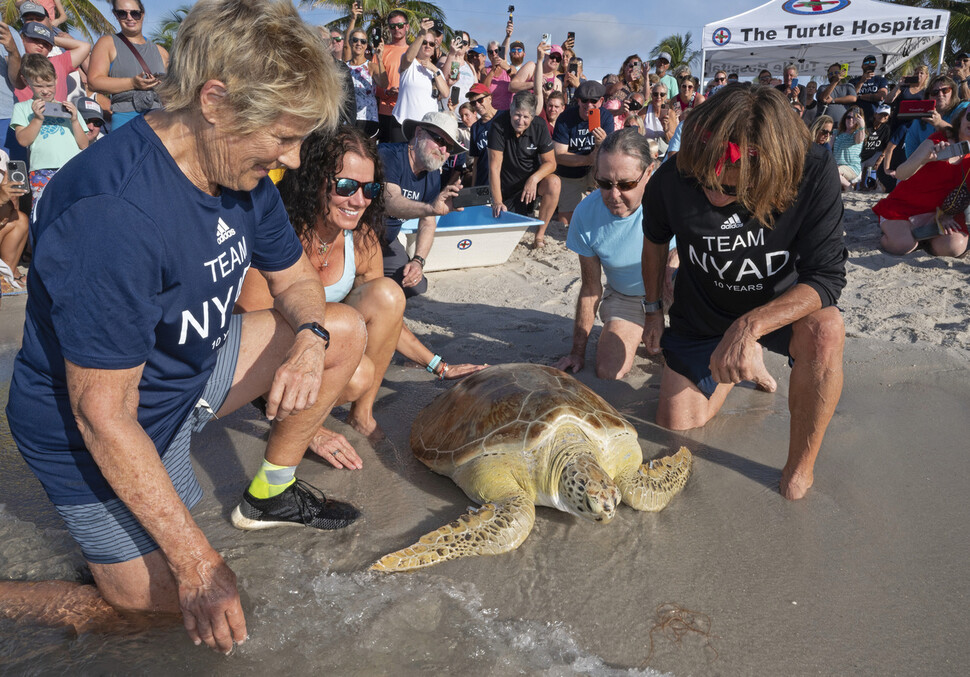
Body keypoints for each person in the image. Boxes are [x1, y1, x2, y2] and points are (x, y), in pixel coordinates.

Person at [1, 0, 365, 652]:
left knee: (342, 329)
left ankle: (267, 494)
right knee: (162, 616)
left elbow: (295, 283)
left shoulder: (242, 171)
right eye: (283, 136)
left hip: (185, 375)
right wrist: (198, 562)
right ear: (216, 101)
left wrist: (309, 342)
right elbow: (102, 414)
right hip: (87, 431)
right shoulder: (114, 214)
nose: (291, 158)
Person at [641, 84, 847, 501]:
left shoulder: (813, 170)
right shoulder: (672, 175)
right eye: (703, 181)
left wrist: (749, 326)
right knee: (676, 424)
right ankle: (736, 363)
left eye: (732, 190)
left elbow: (826, 278)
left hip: (780, 311)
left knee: (827, 329)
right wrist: (651, 311)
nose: (714, 195)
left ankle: (798, 469)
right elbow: (654, 241)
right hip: (702, 310)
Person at [237, 126, 403, 460]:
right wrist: (307, 429)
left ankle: (362, 414)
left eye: (369, 188)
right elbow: (247, 336)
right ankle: (292, 419)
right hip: (267, 348)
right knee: (357, 376)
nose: (359, 200)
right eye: (345, 186)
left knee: (389, 294)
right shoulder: (279, 233)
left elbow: (393, 318)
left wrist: (437, 365)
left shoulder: (362, 238)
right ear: (315, 181)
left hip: (322, 339)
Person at [555, 128, 656, 379]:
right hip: (626, 296)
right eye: (604, 183)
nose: (614, 195)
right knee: (608, 372)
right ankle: (638, 328)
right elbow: (591, 288)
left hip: (673, 297)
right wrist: (577, 351)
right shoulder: (585, 214)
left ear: (648, 174)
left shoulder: (669, 204)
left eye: (626, 184)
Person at [379, 110, 463, 296]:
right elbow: (389, 201)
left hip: (387, 241)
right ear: (418, 133)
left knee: (415, 285)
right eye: (439, 140)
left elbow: (428, 222)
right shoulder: (389, 155)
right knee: (374, 289)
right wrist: (430, 208)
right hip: (357, 237)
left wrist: (418, 261)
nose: (443, 150)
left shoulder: (431, 173)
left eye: (449, 148)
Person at [874, 112, 970, 258]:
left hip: (944, 213)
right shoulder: (938, 140)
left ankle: (924, 239)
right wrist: (924, 160)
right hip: (906, 206)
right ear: (961, 119)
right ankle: (903, 233)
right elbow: (901, 174)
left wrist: (946, 214)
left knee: (953, 247)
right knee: (902, 245)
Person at [11, 53, 87, 205]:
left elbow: (84, 145)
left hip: (72, 167)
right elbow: (22, 140)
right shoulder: (22, 108)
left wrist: (74, 120)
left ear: (56, 80)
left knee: (72, 209)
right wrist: (38, 119)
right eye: (39, 86)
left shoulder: (69, 108)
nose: (45, 90)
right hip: (41, 170)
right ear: (27, 82)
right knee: (43, 211)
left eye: (49, 85)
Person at [488, 90, 560, 248]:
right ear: (511, 110)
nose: (520, 121)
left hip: (530, 187)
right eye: (517, 115)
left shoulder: (540, 126)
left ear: (533, 117)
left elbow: (551, 163)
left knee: (554, 182)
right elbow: (494, 166)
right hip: (505, 187)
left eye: (526, 117)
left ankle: (539, 236)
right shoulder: (499, 124)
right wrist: (497, 201)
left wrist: (534, 179)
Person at [87, 0, 167, 129]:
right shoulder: (107, 43)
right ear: (115, 15)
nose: (129, 18)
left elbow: (170, 95)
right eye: (122, 13)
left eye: (135, 13)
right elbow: (93, 81)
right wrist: (133, 83)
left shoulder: (161, 52)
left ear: (143, 14)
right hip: (125, 121)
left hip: (159, 121)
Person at [552, 79, 614, 225]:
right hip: (570, 173)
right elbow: (559, 155)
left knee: (599, 216)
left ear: (601, 101)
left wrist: (603, 143)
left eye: (594, 101)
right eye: (584, 100)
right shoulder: (566, 118)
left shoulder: (606, 117)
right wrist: (588, 159)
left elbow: (610, 155)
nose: (589, 105)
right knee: (565, 222)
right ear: (578, 100)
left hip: (596, 173)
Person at [393, 18, 450, 130]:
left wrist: (434, 69)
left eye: (431, 44)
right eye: (424, 42)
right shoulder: (409, 63)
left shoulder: (435, 70)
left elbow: (445, 93)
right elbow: (409, 57)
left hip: (427, 126)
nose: (427, 46)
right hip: (402, 123)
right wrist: (421, 34)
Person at [13, 21, 89, 104]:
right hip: (22, 114)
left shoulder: (59, 62)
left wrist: (52, 38)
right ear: (22, 39)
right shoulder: (14, 60)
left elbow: (84, 46)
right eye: (35, 39)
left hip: (56, 115)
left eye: (46, 44)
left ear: (50, 48)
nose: (41, 45)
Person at [342, 4, 386, 139]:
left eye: (362, 41)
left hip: (369, 119)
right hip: (349, 118)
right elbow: (344, 46)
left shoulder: (371, 66)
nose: (358, 43)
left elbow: (384, 84)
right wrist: (353, 18)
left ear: (366, 45)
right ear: (350, 42)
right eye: (355, 40)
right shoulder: (345, 66)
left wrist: (379, 57)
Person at [375, 9, 410, 142]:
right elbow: (374, 80)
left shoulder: (414, 52)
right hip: (385, 112)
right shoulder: (381, 51)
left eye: (400, 25)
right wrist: (385, 91)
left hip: (406, 113)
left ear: (407, 26)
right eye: (392, 26)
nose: (396, 29)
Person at [466, 83, 496, 187]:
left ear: (490, 98)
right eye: (473, 103)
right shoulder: (475, 127)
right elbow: (476, 161)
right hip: (483, 183)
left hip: (504, 183)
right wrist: (474, 187)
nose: (477, 105)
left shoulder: (504, 118)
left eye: (480, 100)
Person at [832, 105, 865, 190]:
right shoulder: (837, 132)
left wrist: (862, 126)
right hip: (836, 165)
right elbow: (829, 146)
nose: (850, 119)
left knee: (835, 171)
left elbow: (859, 140)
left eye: (854, 117)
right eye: (848, 117)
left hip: (852, 167)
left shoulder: (857, 133)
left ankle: (848, 186)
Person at [851, 54, 888, 126]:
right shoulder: (853, 81)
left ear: (876, 64)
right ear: (862, 66)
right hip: (856, 115)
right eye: (866, 63)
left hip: (874, 116)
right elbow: (852, 96)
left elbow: (881, 97)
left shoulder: (881, 80)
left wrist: (860, 97)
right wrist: (862, 81)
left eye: (872, 62)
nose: (869, 64)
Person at [642, 81, 678, 155]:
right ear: (652, 96)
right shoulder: (644, 111)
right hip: (647, 154)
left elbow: (674, 141)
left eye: (662, 94)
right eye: (655, 94)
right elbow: (637, 133)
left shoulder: (670, 113)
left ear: (666, 96)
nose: (658, 97)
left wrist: (666, 129)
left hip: (664, 155)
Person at [816, 63, 857, 128]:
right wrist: (835, 81)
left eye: (836, 72)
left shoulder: (848, 86)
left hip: (843, 127)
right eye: (830, 74)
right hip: (824, 127)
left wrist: (833, 100)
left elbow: (853, 98)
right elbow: (823, 98)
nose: (833, 75)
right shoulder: (823, 87)